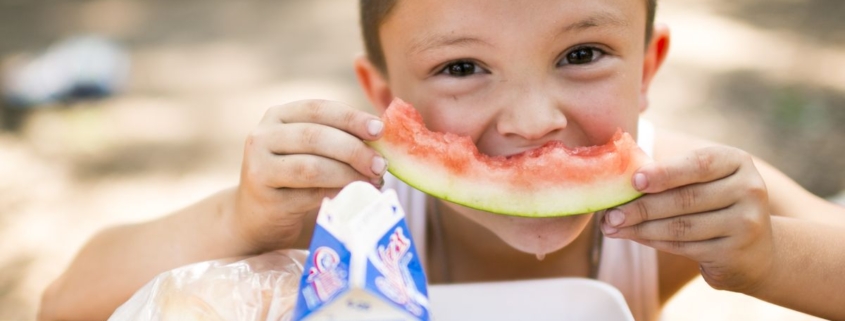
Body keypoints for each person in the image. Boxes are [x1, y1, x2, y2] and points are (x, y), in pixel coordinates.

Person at [39, 0, 845, 320]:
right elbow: (66, 304)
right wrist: (236, 217)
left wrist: (770, 257)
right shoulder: (353, 211)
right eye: (462, 68)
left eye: (584, 52)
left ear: (647, 68)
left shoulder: (673, 204)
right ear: (384, 94)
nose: (533, 123)